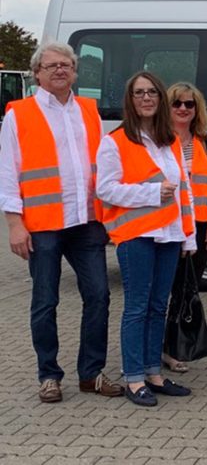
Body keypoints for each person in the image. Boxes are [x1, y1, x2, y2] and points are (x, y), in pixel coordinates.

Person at [0, 42, 123, 403]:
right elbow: (9, 172)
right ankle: (49, 375)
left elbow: (105, 167)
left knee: (99, 296)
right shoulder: (19, 114)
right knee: (45, 301)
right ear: (37, 72)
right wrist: (14, 223)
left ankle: (91, 373)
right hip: (43, 224)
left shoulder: (88, 110)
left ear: (75, 71)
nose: (59, 70)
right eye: (51, 65)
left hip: (86, 221)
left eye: (66, 64)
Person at [96, 71, 195, 406]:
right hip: (136, 235)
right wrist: (152, 193)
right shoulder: (115, 141)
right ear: (130, 99)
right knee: (137, 308)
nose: (147, 98)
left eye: (152, 91)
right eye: (139, 93)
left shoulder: (170, 141)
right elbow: (105, 189)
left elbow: (185, 192)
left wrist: (188, 235)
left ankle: (154, 372)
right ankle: (134, 377)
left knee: (158, 306)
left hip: (168, 234)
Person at [160, 82, 207, 372]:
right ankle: (155, 348)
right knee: (162, 290)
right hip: (166, 227)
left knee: (186, 290)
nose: (184, 109)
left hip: (198, 227)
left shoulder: (202, 141)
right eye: (177, 104)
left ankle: (173, 349)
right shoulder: (157, 140)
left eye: (190, 104)